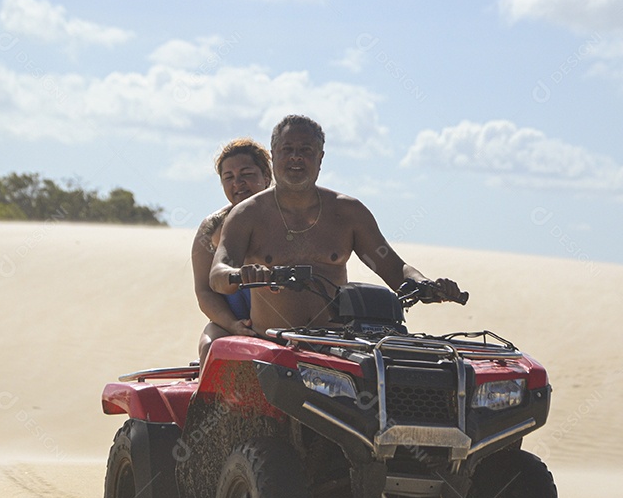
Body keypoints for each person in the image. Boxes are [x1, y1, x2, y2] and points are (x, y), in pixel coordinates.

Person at [210, 114, 460, 333]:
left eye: (306, 150)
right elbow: (218, 273)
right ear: (274, 155)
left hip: (338, 347)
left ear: (320, 157)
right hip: (273, 346)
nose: (296, 157)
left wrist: (426, 285)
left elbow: (395, 269)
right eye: (287, 149)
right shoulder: (246, 215)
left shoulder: (348, 212)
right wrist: (241, 275)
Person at [192, 137, 272, 361]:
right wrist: (234, 325)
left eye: (246, 174)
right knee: (210, 347)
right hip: (230, 322)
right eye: (229, 177)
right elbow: (204, 291)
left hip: (281, 326)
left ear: (266, 177)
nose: (237, 182)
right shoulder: (212, 227)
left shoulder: (286, 221)